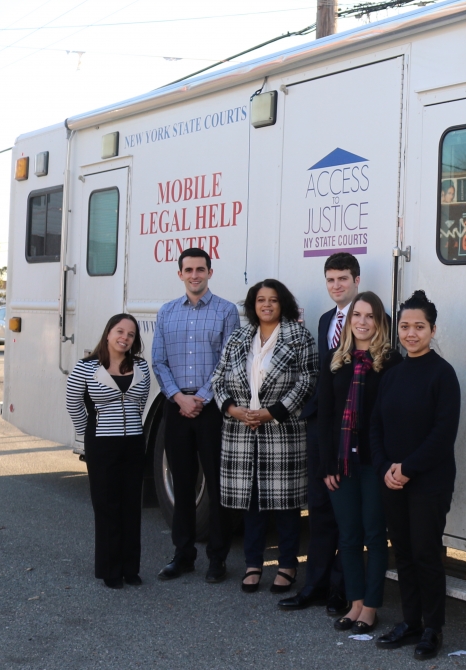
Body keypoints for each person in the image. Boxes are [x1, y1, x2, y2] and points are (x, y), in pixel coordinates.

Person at [211, 279, 317, 593]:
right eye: (260, 300)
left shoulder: (299, 336)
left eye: (273, 299)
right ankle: (253, 564)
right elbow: (218, 379)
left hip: (282, 430)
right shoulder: (239, 336)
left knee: (286, 505)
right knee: (252, 503)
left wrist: (273, 412)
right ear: (252, 305)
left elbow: (309, 380)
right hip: (242, 431)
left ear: (282, 303)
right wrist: (233, 409)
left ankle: (287, 566)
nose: (266, 305)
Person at [372, 291, 461, 661]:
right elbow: (376, 427)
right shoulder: (392, 375)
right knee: (404, 553)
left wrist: (406, 469)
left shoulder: (443, 375)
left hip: (428, 482)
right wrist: (385, 468)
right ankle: (410, 622)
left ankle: (432, 628)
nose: (411, 333)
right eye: (405, 326)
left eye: (419, 327)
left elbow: (442, 434)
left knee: (425, 553)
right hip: (392, 480)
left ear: (432, 330)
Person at [152, 248, 240, 584]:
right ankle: (183, 555)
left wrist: (201, 397)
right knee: (183, 483)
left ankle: (217, 558)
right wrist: (178, 397)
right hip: (176, 408)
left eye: (200, 269)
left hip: (211, 409)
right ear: (180, 274)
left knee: (217, 486)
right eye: (188, 270)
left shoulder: (226, 311)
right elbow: (159, 360)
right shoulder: (167, 312)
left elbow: (227, 361)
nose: (194, 275)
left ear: (209, 272)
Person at [278, 251, 360, 613]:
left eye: (343, 279)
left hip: (351, 427)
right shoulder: (327, 319)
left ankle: (342, 588)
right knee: (320, 507)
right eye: (330, 280)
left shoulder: (370, 317)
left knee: (347, 514)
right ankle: (315, 584)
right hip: (321, 424)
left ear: (356, 281)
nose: (336, 286)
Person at [320, 291, 401, 633]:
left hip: (374, 463)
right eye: (357, 315)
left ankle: (370, 607)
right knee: (349, 535)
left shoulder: (391, 362)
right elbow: (325, 415)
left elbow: (393, 418)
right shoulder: (336, 361)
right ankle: (354, 603)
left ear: (379, 322)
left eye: (369, 316)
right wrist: (327, 464)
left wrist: (387, 463)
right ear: (349, 320)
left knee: (374, 534)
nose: (362, 322)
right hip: (341, 464)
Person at [66, 314, 152, 589]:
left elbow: (141, 402)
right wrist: (90, 431)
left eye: (130, 334)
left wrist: (131, 426)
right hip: (102, 444)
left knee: (131, 506)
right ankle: (110, 570)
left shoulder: (141, 366)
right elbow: (73, 402)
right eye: (120, 331)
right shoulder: (86, 367)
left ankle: (130, 569)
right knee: (107, 507)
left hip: (134, 443)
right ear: (108, 333)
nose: (124, 338)